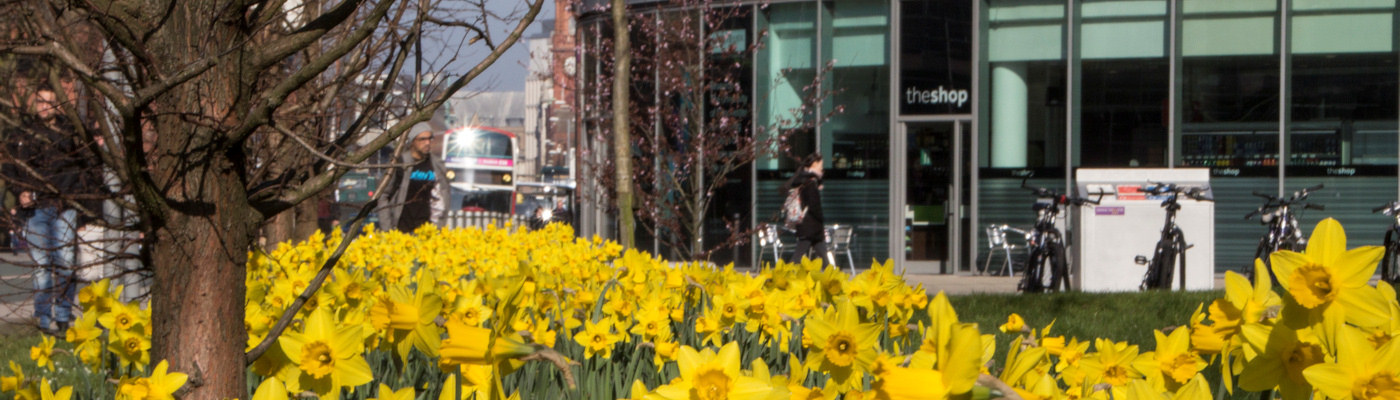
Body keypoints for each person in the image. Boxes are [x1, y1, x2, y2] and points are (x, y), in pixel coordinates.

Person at [2, 87, 83, 335]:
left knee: (65, 263)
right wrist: (19, 191)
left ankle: (62, 314)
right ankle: (44, 318)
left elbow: (79, 170)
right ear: (35, 102)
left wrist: (72, 200)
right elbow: (10, 167)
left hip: (64, 207)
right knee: (41, 266)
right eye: (41, 101)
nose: (45, 106)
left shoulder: (67, 133)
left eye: (50, 101)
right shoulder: (23, 134)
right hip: (35, 209)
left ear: (58, 105)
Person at [378, 127, 451, 233]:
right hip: (400, 230)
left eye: (430, 139)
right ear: (412, 141)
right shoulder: (400, 164)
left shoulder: (437, 165)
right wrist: (387, 228)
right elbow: (383, 195)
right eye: (422, 139)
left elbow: (443, 196)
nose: (427, 143)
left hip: (427, 231)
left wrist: (439, 227)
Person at [786, 153, 827, 265]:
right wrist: (821, 218)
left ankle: (832, 278)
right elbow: (814, 205)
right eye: (820, 164)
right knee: (797, 258)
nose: (822, 167)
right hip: (810, 226)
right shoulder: (809, 182)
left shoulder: (804, 179)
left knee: (823, 257)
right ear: (814, 164)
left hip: (809, 227)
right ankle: (784, 277)